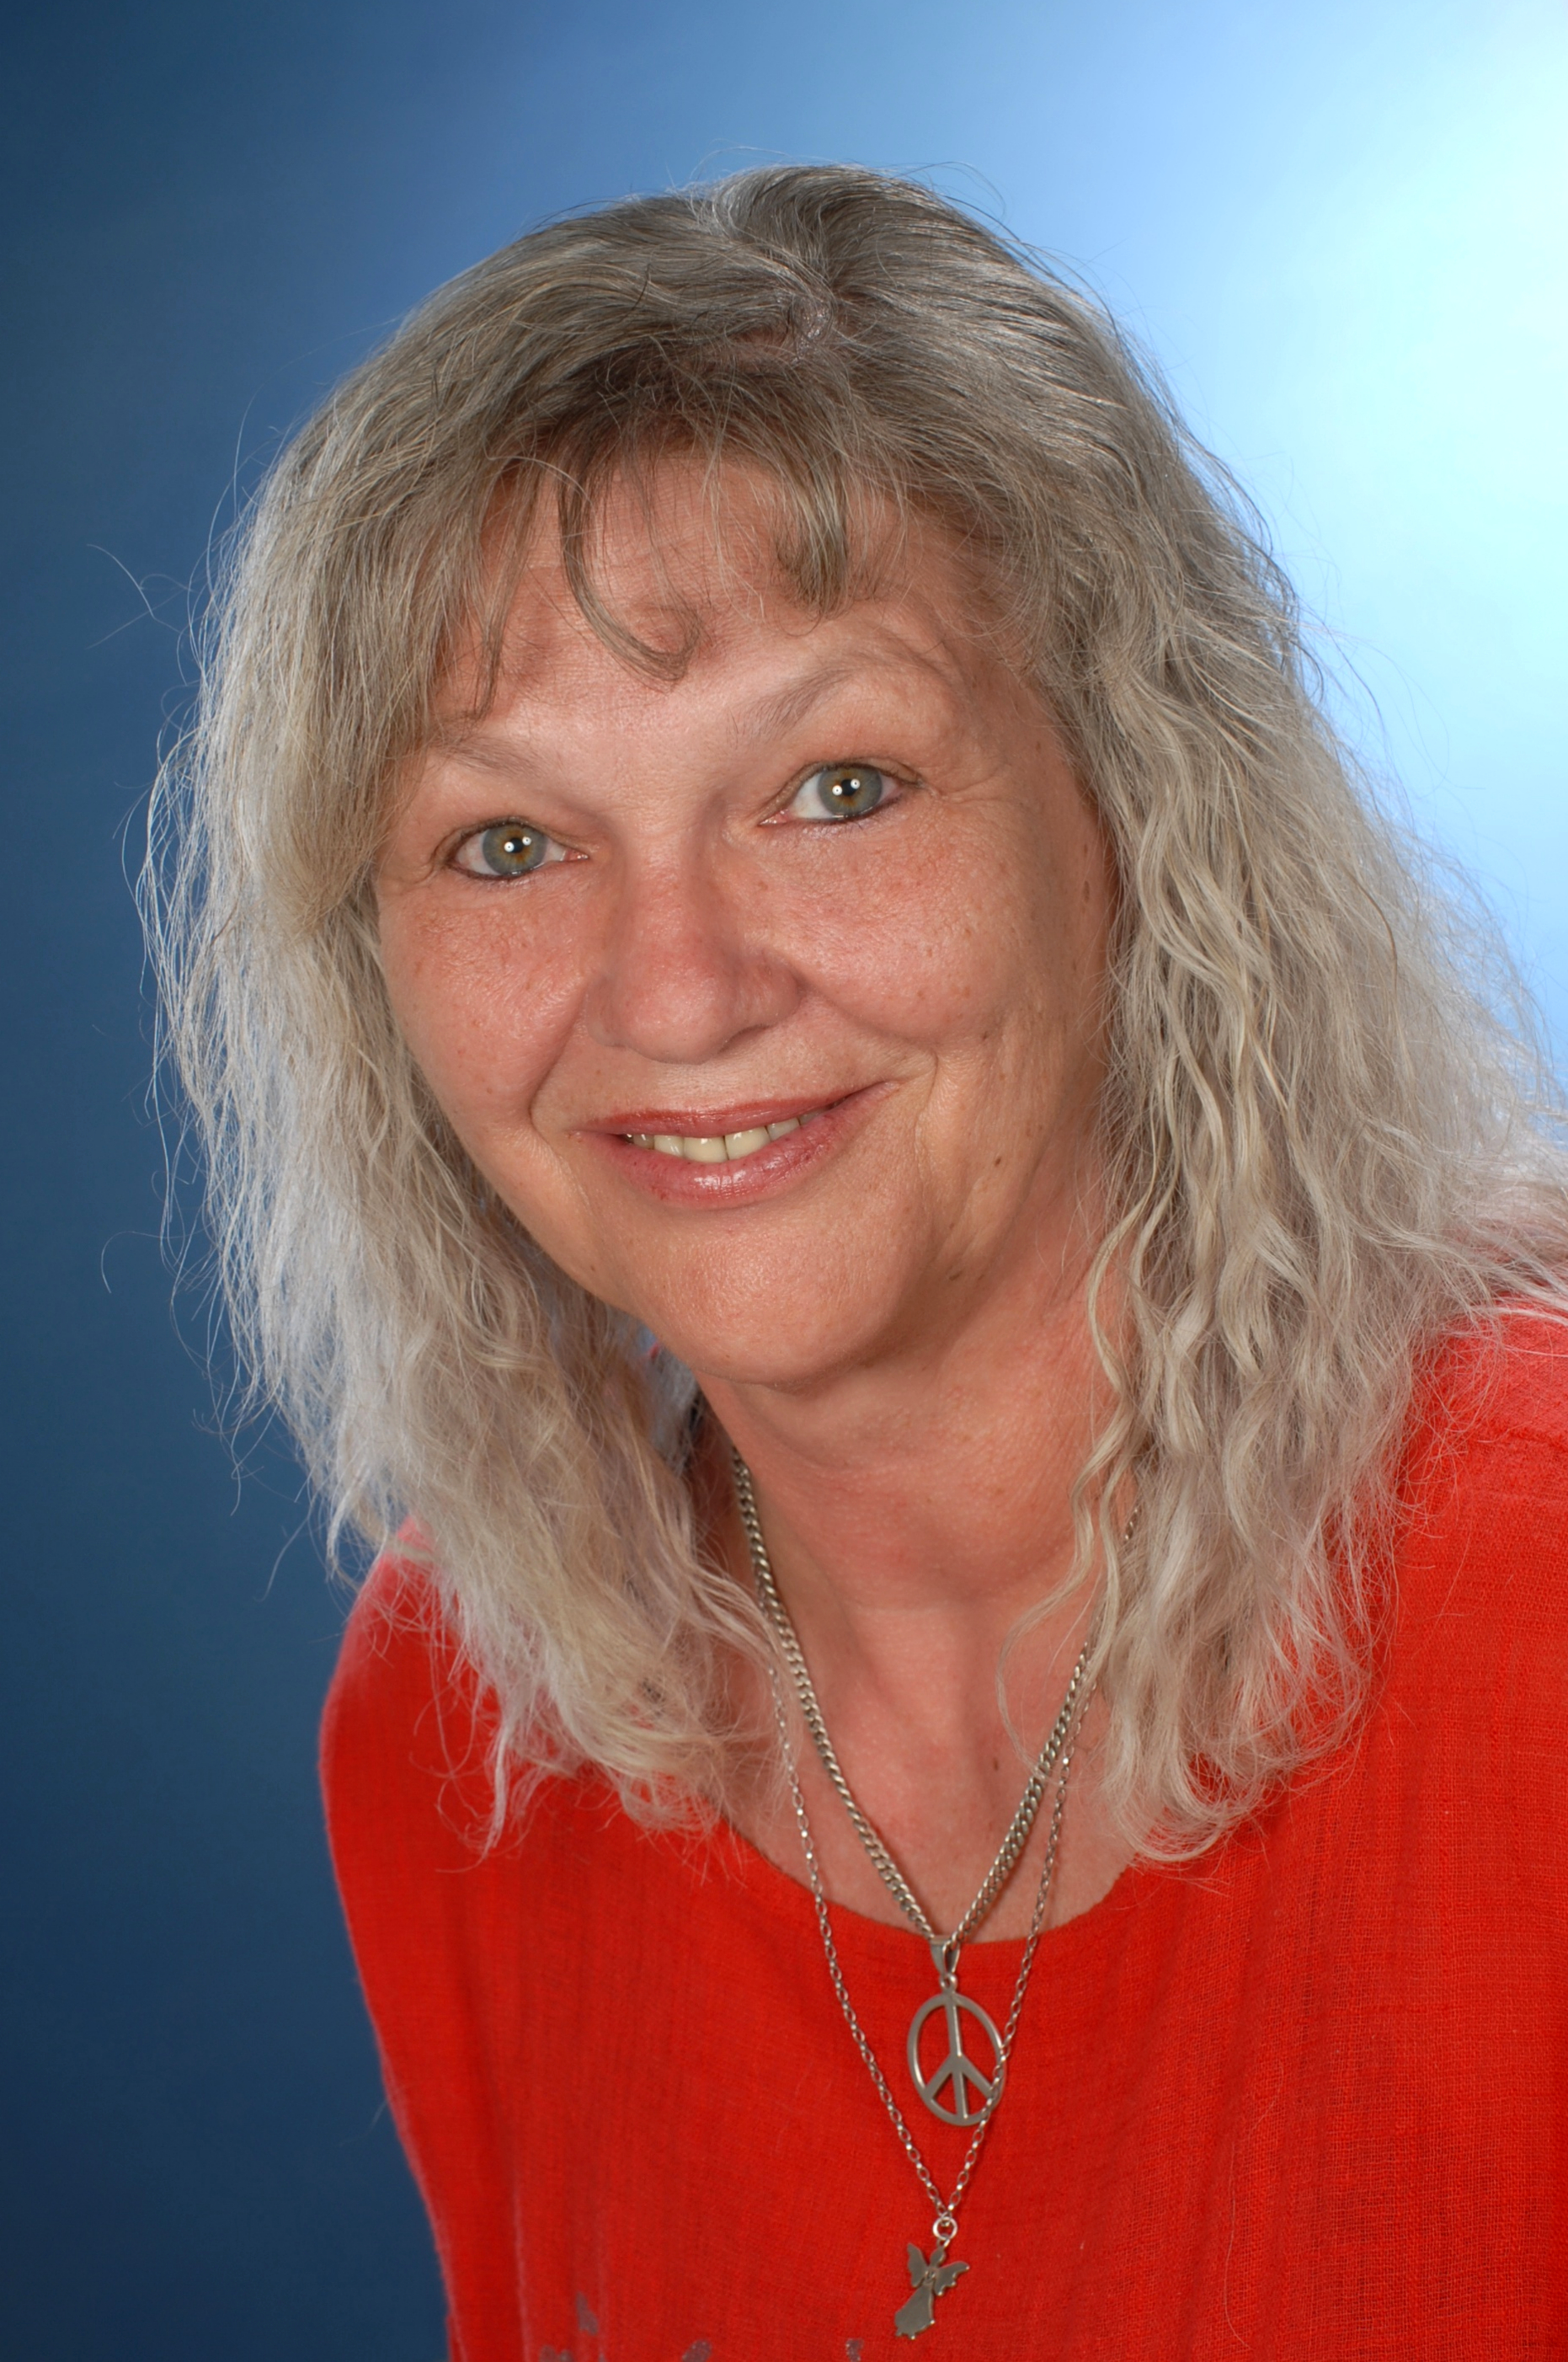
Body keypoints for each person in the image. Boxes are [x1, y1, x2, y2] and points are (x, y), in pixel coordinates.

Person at [147, 165, 1568, 2359]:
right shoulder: (463, 1711)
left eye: (834, 785)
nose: (678, 989)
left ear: (1135, 817)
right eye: (507, 840)